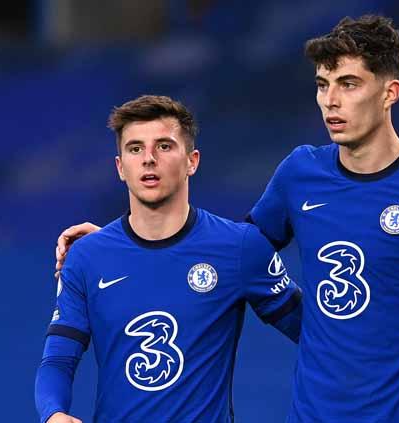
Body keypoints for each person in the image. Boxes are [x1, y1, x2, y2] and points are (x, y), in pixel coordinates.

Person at [55, 15, 399, 422]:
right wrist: (122, 242)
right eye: (322, 84)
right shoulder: (300, 173)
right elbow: (226, 250)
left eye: (348, 84)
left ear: (389, 92)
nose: (330, 101)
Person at [35, 95, 306, 423]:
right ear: (120, 167)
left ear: (192, 160)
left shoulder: (239, 247)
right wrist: (54, 414)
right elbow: (58, 360)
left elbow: (316, 334)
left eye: (164, 146)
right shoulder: (88, 257)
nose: (148, 159)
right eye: (135, 149)